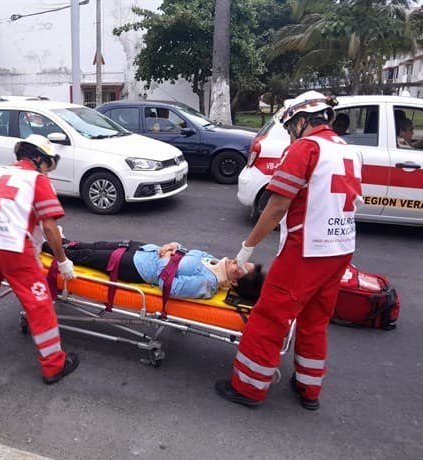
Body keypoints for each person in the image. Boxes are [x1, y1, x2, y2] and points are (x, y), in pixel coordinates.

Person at [215, 91, 363, 411]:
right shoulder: (347, 151)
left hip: (307, 250)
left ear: (300, 120)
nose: (290, 132)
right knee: (314, 319)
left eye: (290, 125)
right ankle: (309, 389)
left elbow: (277, 205)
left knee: (270, 316)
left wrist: (246, 249)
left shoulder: (305, 148)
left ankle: (249, 387)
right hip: (341, 248)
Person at [0, 134, 80, 385]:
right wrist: (62, 261)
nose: (48, 173)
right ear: (38, 158)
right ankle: (54, 365)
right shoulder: (36, 179)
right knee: (39, 303)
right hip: (13, 248)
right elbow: (50, 227)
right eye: (47, 166)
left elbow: (5, 210)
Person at [42, 239, 265, 302]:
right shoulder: (214, 262)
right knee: (91, 245)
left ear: (234, 282)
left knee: (84, 257)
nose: (236, 261)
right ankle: (59, 240)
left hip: (136, 267)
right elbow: (185, 253)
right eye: (241, 260)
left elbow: (169, 285)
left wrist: (165, 258)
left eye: (239, 267)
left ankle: (44, 246)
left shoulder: (207, 283)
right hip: (144, 249)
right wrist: (174, 246)